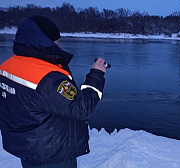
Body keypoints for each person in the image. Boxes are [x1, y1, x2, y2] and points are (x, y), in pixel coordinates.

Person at [0, 15, 106, 168]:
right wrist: (96, 74)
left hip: (27, 147)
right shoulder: (48, 78)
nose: (59, 45)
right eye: (56, 41)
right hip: (52, 154)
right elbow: (81, 108)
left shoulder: (8, 66)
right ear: (44, 41)